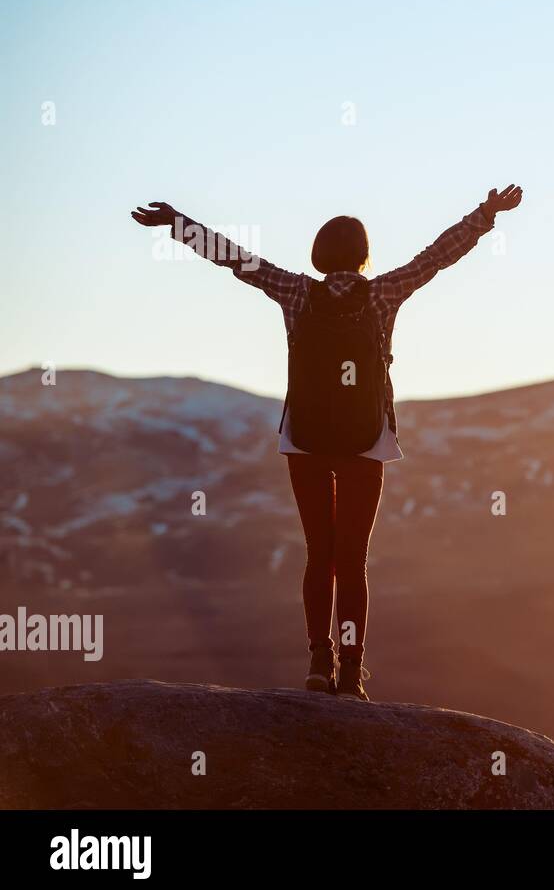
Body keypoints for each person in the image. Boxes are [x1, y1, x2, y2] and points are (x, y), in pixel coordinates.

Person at [130, 185, 524, 699]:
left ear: (319, 256)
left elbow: (232, 258)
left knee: (320, 555)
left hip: (307, 439)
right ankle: (351, 672)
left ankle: (319, 661)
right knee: (353, 561)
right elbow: (437, 258)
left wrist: (176, 221)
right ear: (363, 256)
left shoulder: (295, 292)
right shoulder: (383, 294)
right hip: (367, 441)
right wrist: (487, 213)